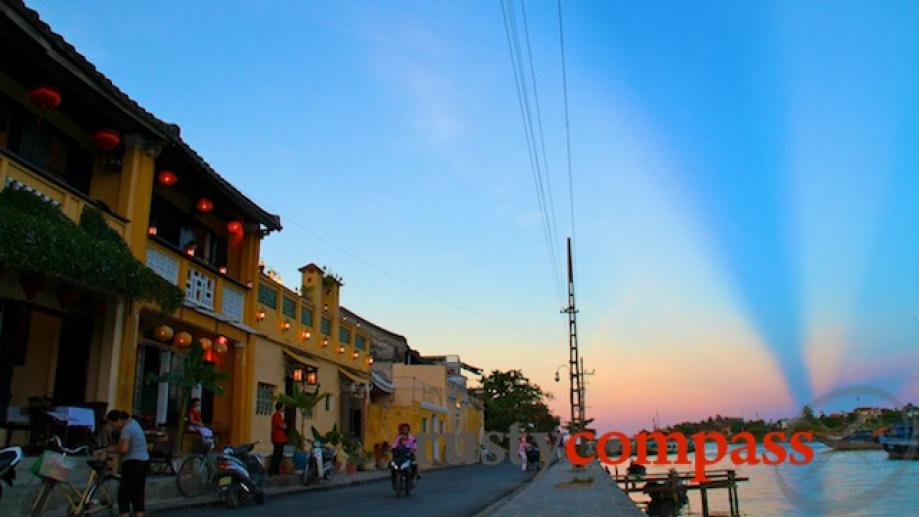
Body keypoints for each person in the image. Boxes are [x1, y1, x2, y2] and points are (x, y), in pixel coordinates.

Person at [106, 410, 148, 517]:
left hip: (132, 463)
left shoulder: (126, 429)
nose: (113, 427)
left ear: (119, 420)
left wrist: (111, 449)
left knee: (124, 495)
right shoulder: (134, 423)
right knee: (138, 494)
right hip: (143, 462)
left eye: (112, 424)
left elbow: (124, 448)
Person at [269, 401, 287, 476]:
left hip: (280, 438)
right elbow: (281, 425)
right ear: (280, 407)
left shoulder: (279, 415)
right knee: (277, 455)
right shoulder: (276, 415)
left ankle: (275, 470)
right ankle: (272, 470)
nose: (283, 408)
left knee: (278, 455)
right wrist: (284, 426)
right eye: (283, 407)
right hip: (278, 438)